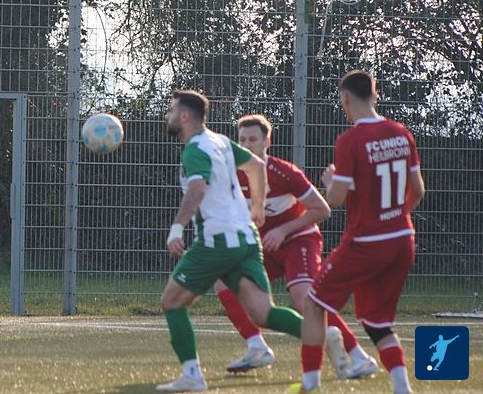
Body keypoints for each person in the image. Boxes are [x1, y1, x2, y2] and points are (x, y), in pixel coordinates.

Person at [156, 91, 303, 393]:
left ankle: (192, 375)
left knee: (172, 302)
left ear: (185, 116)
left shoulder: (195, 149)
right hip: (247, 239)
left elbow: (197, 190)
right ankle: (332, 340)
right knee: (263, 313)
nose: (167, 116)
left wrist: (176, 228)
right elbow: (257, 166)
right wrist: (257, 207)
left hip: (217, 240)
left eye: (171, 110)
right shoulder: (220, 141)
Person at [288, 70, 425, 394]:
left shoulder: (350, 140)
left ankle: (309, 383)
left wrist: (330, 182)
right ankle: (402, 387)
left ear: (346, 99)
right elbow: (417, 190)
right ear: (375, 95)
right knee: (377, 321)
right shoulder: (401, 134)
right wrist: (393, 217)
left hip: (366, 242)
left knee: (314, 305)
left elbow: (335, 198)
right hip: (402, 239)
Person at [214, 114, 378, 379]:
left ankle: (360, 357)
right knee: (223, 280)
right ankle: (257, 347)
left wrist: (283, 230)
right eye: (242, 140)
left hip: (298, 240)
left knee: (305, 299)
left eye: (253, 139)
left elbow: (322, 209)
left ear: (267, 141)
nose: (246, 145)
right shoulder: (230, 175)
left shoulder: (284, 172)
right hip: (264, 245)